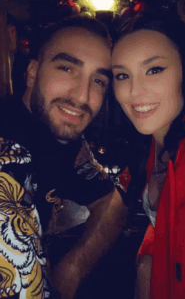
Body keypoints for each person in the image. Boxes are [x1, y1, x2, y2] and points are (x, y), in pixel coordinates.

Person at [0, 16, 127, 299]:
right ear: (32, 72)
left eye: (98, 80)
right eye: (67, 68)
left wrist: (73, 267)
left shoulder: (64, 141)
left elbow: (111, 199)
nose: (82, 96)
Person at [111, 13, 185, 299]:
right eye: (122, 75)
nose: (134, 91)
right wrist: (147, 261)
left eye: (154, 70)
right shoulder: (155, 145)